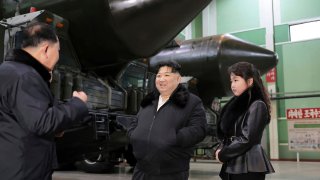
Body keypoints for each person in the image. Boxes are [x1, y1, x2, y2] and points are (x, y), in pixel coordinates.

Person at [0, 22, 88, 180]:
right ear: (46, 49)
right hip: (24, 170)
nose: (58, 57)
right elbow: (41, 122)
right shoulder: (25, 76)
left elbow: (19, 120)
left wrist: (54, 129)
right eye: (58, 50)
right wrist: (77, 103)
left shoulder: (10, 71)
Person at [128, 60, 207, 180]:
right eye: (158, 76)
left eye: (167, 75)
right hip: (141, 170)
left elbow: (199, 129)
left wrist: (174, 138)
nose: (161, 79)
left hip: (171, 173)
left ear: (178, 79)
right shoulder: (148, 101)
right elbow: (135, 121)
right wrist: (134, 134)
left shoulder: (192, 102)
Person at [215, 62, 274, 180]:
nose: (232, 85)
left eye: (236, 80)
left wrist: (223, 154)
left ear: (250, 81)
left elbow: (247, 138)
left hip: (249, 165)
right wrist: (221, 147)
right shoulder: (237, 106)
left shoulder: (257, 105)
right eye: (231, 81)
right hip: (232, 162)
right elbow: (229, 133)